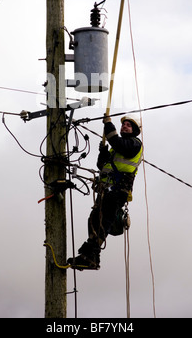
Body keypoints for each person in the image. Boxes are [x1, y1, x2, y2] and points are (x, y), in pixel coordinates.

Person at [67, 114, 143, 270]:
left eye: (128, 125)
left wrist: (108, 124)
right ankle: (88, 256)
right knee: (94, 220)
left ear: (135, 130)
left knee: (103, 221)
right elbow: (102, 166)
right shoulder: (117, 149)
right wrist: (103, 152)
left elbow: (117, 142)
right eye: (124, 124)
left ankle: (91, 257)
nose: (124, 126)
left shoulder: (134, 144)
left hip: (118, 190)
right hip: (107, 190)